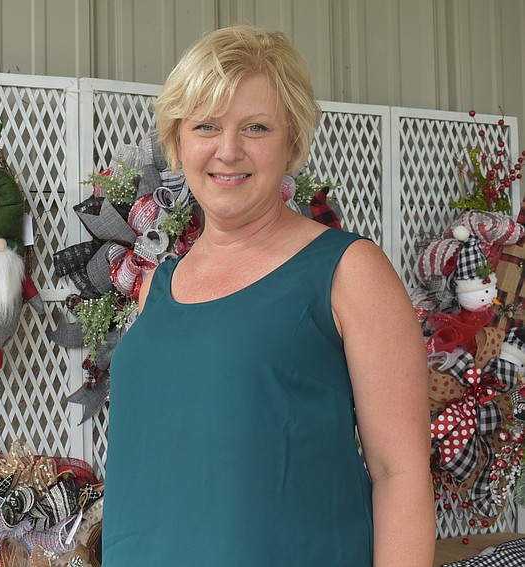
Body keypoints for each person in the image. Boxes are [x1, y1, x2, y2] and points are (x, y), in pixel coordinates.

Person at [102, 25, 435, 566]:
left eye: (255, 127)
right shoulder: (157, 287)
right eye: (206, 126)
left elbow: (400, 475)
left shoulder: (348, 271)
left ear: (292, 141)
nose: (227, 150)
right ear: (179, 141)